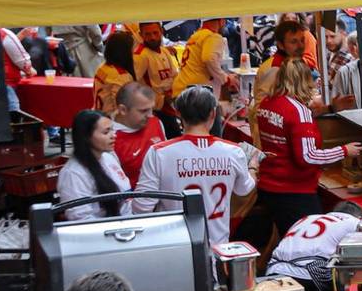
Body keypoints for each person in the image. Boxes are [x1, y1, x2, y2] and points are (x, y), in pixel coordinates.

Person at [134, 86, 257, 250]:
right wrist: (253, 168)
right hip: (218, 247)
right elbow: (244, 189)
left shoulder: (159, 153)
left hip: (174, 246)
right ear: (213, 114)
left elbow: (142, 207)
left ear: (179, 114)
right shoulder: (234, 152)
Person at [251, 62, 362, 244]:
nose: (315, 84)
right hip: (294, 192)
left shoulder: (267, 104)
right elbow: (308, 156)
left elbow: (292, 122)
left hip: (270, 186)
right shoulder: (297, 111)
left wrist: (331, 109)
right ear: (302, 82)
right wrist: (344, 150)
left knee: (282, 240)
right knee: (309, 244)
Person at [55, 108, 134, 221]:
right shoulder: (73, 173)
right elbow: (80, 218)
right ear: (86, 137)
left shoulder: (109, 157)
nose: (113, 135)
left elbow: (126, 202)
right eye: (106, 132)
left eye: (112, 129)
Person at [110, 81, 170, 182]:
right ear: (123, 110)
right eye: (143, 111)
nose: (150, 115)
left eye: (151, 109)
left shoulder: (156, 122)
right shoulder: (109, 138)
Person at [94, 28, 138, 113]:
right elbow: (122, 108)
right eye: (132, 49)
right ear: (125, 52)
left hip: (99, 115)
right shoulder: (121, 76)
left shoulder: (103, 67)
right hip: (112, 121)